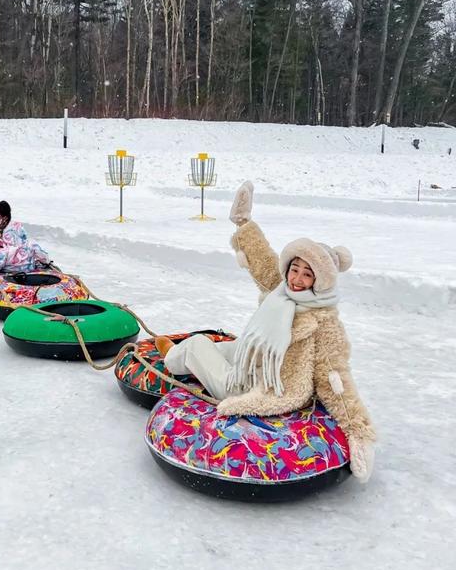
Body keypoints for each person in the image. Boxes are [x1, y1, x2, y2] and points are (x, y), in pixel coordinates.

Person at [155, 181, 376, 483]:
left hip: (258, 388)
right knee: (226, 348)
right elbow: (263, 261)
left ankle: (172, 358)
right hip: (256, 363)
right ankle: (194, 358)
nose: (297, 278)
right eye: (295, 269)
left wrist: (357, 431)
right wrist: (243, 223)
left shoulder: (322, 321)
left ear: (321, 280)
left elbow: (335, 376)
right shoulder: (283, 290)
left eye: (307, 274)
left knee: (196, 345)